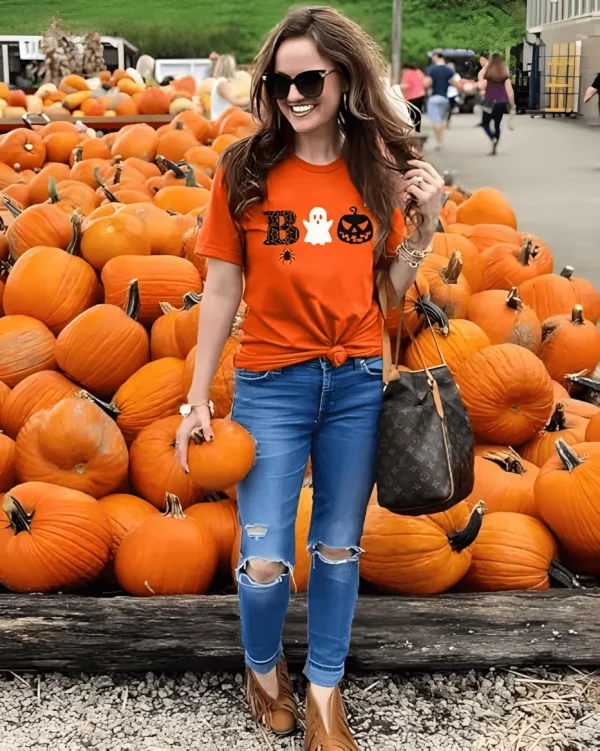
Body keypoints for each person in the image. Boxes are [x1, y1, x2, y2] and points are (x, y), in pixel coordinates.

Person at [176, 6, 444, 749]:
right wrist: (198, 396)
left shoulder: (375, 170)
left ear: (344, 79)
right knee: (263, 559)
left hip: (356, 380)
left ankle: (325, 692)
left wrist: (421, 231)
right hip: (271, 385)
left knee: (336, 547)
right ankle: (263, 670)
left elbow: (383, 296)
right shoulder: (244, 169)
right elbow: (222, 291)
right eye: (279, 79)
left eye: (310, 78)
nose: (294, 92)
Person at [480, 52, 515, 155]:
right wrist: (512, 105)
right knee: (497, 124)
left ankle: (492, 138)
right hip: (501, 102)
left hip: (489, 101)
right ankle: (496, 141)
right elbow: (509, 91)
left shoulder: (487, 73)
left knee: (485, 123)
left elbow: (481, 85)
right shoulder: (504, 74)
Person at [424, 50, 459, 148]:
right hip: (444, 98)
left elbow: (427, 83)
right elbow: (455, 82)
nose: (432, 59)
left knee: (436, 122)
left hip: (434, 97)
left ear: (437, 57)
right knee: (442, 120)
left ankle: (438, 140)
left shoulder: (431, 69)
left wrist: (426, 89)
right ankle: (440, 138)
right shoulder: (449, 70)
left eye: (433, 57)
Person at [210, 54, 250, 120]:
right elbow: (235, 102)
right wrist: (251, 99)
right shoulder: (222, 83)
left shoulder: (219, 81)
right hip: (222, 122)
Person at [400, 61, 426, 132]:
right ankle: (417, 129)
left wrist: (397, 87)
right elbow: (424, 82)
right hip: (421, 95)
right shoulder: (419, 72)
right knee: (418, 114)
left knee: (409, 115)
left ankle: (410, 130)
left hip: (411, 97)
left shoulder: (407, 73)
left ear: (405, 68)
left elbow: (405, 85)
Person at [445, 62, 459, 128]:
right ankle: (445, 121)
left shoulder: (456, 75)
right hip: (445, 93)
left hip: (453, 93)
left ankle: (448, 120)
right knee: (445, 108)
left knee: (451, 108)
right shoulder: (444, 74)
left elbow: (457, 84)